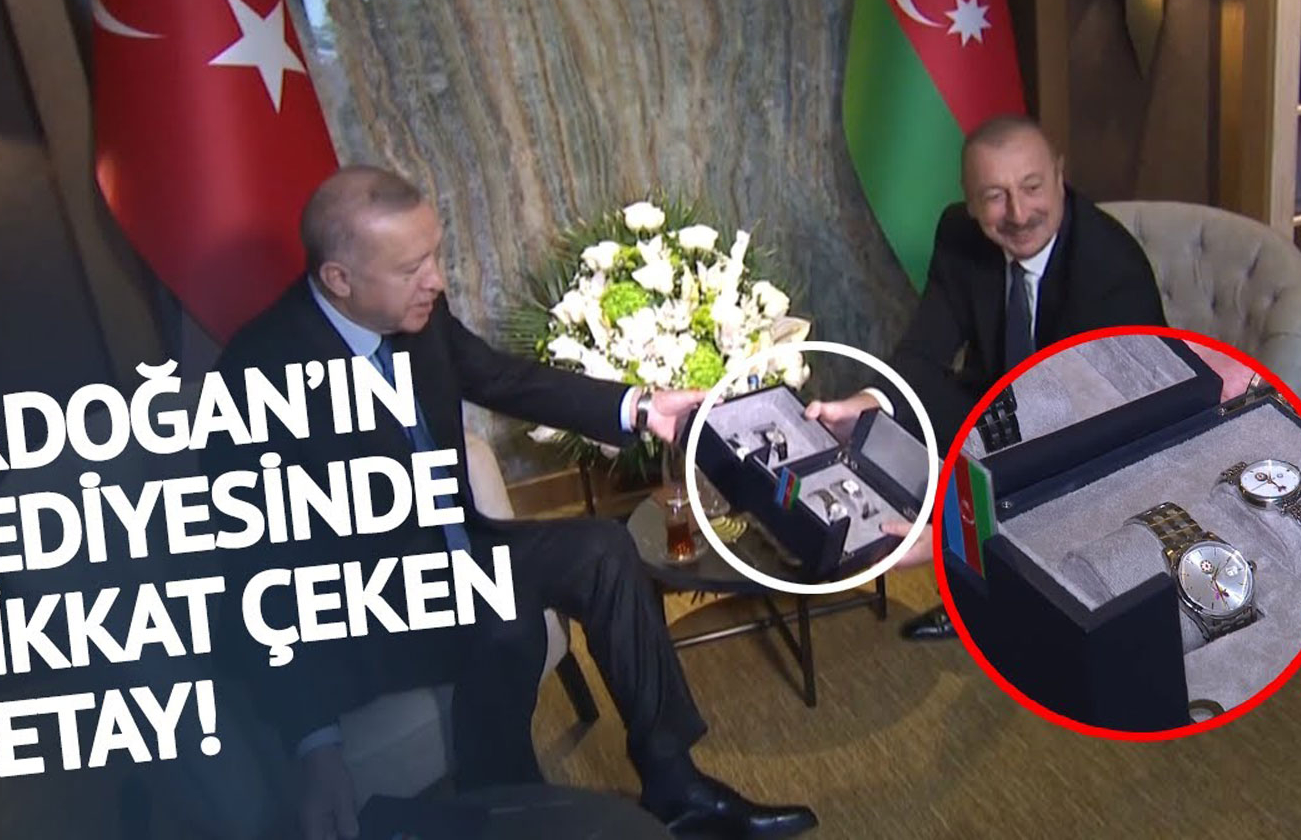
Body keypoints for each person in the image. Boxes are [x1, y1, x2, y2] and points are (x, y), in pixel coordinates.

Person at [206, 166, 818, 840]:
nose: (435, 279)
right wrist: (314, 743)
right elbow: (258, 570)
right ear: (339, 280)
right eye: (412, 267)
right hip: (370, 604)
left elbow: (502, 378)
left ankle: (677, 785)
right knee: (509, 625)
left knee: (605, 549)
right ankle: (510, 812)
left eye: (435, 255)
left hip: (458, 552)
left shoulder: (415, 313)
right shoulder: (257, 375)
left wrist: (643, 407)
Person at [808, 115, 1167, 641]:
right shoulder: (960, 233)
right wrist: (867, 403)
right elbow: (925, 350)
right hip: (1005, 407)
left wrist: (959, 530)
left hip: (1104, 433)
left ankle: (1037, 601)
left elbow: (1099, 428)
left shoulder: (1110, 271)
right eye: (995, 196)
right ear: (970, 200)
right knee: (901, 414)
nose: (1018, 214)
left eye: (1032, 187)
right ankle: (976, 595)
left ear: (1060, 175)